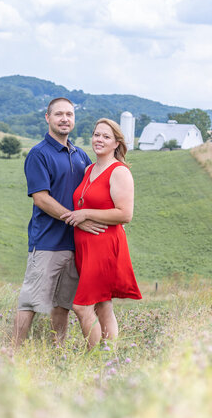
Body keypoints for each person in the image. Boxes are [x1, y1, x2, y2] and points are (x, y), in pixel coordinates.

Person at [13, 98, 107, 348]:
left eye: (69, 114)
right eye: (59, 114)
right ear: (47, 118)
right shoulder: (38, 154)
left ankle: (58, 352)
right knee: (30, 302)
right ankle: (11, 352)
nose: (65, 119)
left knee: (62, 305)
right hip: (47, 242)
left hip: (76, 244)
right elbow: (41, 199)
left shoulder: (80, 155)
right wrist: (76, 220)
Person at [61, 118, 142, 349]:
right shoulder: (89, 169)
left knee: (81, 305)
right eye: (97, 134)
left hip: (104, 246)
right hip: (86, 247)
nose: (99, 140)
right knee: (102, 304)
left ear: (117, 142)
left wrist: (85, 213)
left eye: (106, 137)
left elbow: (125, 214)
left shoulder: (119, 172)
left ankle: (94, 357)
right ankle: (109, 356)